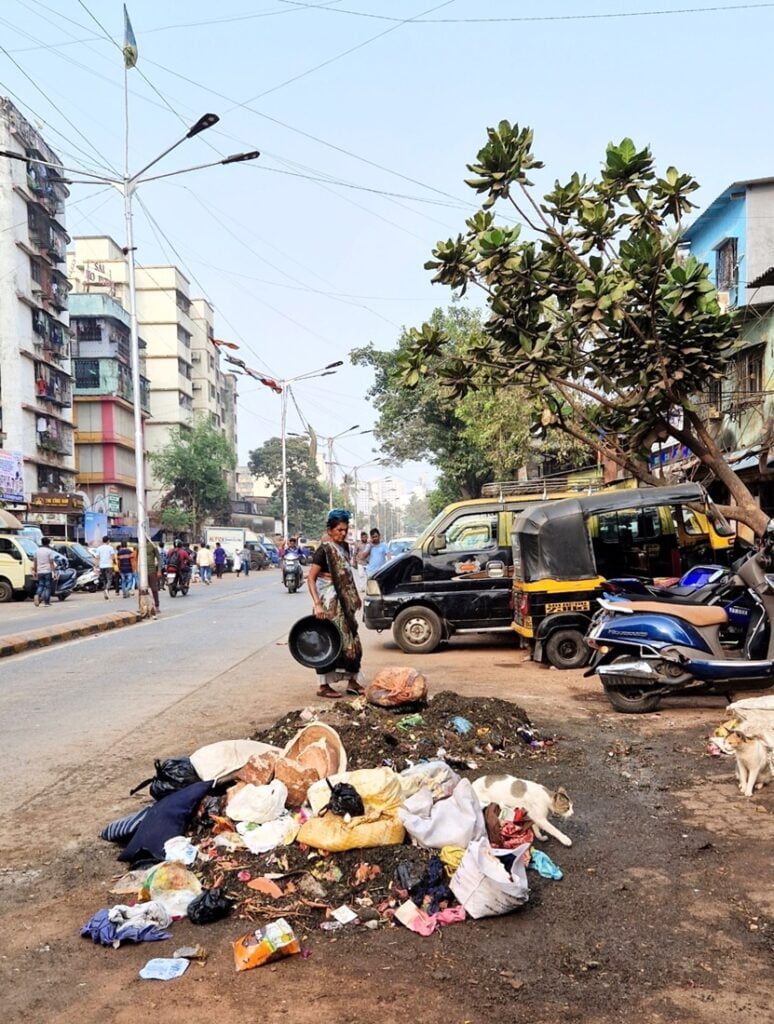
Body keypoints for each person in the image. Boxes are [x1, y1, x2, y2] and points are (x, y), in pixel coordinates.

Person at [306, 509, 365, 699]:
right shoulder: (323, 551)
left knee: (353, 644)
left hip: (345, 605)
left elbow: (346, 576)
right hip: (328, 605)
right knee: (328, 643)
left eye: (345, 530)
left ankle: (353, 681)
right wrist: (317, 604)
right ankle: (324, 686)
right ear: (330, 530)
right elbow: (311, 579)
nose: (343, 533)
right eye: (339, 530)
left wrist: (354, 597)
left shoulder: (345, 548)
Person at [32, 536, 57, 607]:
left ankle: (37, 595)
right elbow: (51, 562)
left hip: (40, 571)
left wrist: (35, 571)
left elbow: (35, 562)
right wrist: (54, 572)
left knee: (41, 585)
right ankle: (46, 602)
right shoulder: (49, 551)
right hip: (47, 571)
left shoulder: (37, 551)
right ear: (48, 543)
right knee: (47, 587)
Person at [95, 535, 114, 601]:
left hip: (102, 566)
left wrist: (96, 566)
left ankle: (105, 594)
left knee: (104, 580)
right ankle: (107, 589)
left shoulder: (99, 548)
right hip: (109, 565)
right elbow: (112, 557)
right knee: (109, 579)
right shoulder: (110, 548)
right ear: (108, 540)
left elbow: (97, 558)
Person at [145, 539, 161, 612]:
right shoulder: (139, 546)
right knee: (142, 590)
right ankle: (145, 607)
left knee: (154, 589)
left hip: (152, 570)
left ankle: (157, 605)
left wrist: (159, 570)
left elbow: (159, 558)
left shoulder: (153, 545)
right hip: (143, 571)